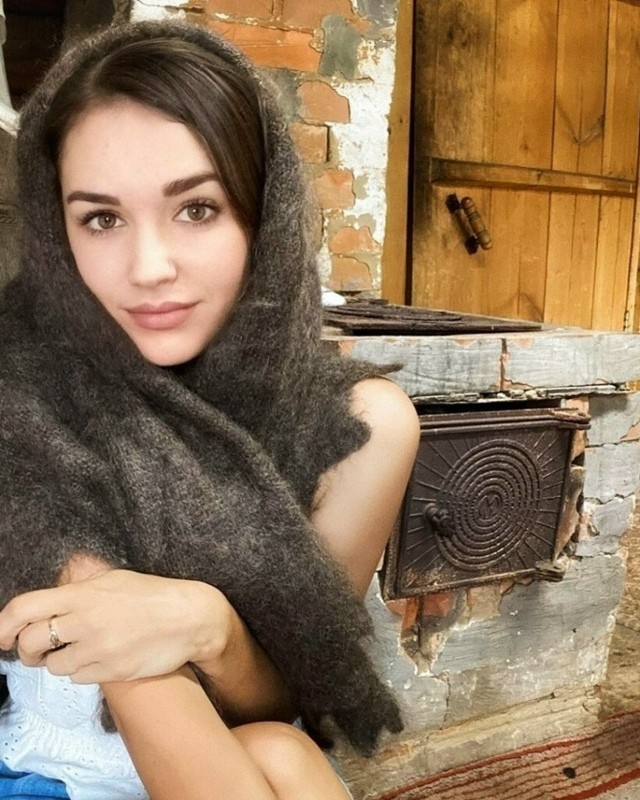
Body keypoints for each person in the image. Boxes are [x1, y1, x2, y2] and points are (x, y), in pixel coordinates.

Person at [0, 19, 420, 800]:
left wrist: (208, 624)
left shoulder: (360, 430)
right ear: (59, 232)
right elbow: (114, 649)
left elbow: (288, 697)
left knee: (281, 749)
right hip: (42, 771)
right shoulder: (20, 389)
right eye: (101, 218)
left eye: (197, 208)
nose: (148, 268)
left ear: (265, 212)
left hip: (242, 756)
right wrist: (133, 628)